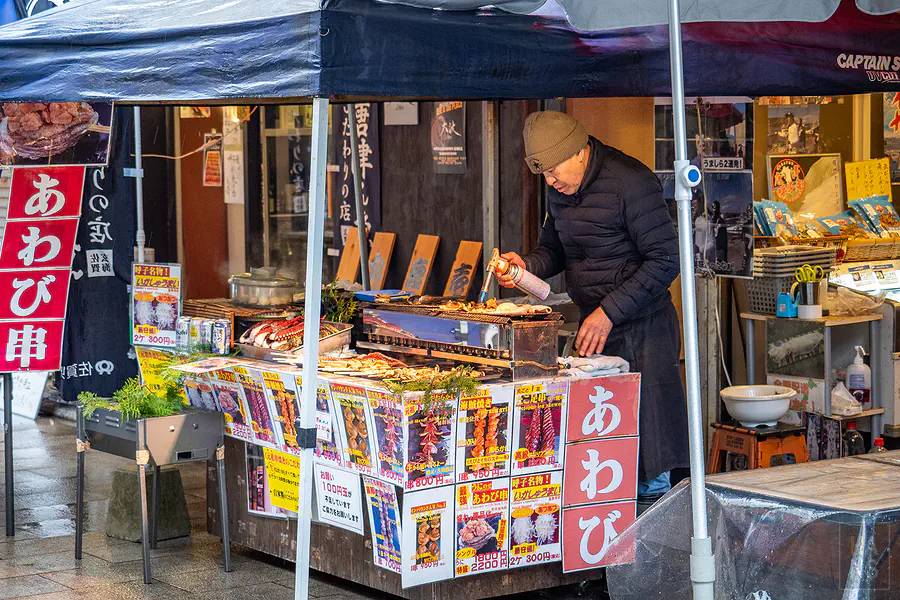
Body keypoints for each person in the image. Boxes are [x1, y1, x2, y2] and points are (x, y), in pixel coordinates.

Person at [499, 111, 689, 507]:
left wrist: (609, 312)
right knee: (600, 447)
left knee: (646, 450)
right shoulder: (560, 190)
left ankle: (648, 533)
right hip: (595, 329)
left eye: (553, 172)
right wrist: (525, 268)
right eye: (544, 176)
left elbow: (666, 259)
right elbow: (555, 248)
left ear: (578, 152)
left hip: (643, 330)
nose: (550, 183)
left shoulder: (631, 183)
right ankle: (603, 543)